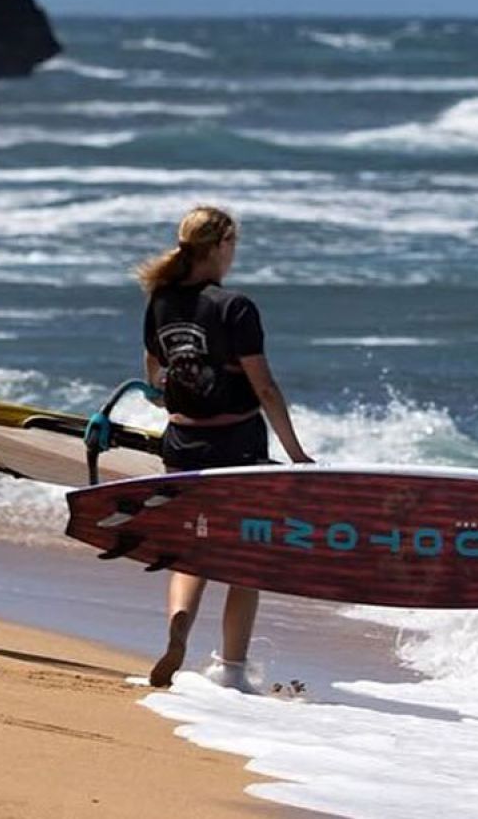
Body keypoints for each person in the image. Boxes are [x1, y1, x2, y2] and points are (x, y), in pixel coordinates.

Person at [136, 205, 313, 690]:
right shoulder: (235, 307)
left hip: (181, 442)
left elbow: (153, 372)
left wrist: (167, 392)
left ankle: (179, 625)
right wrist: (296, 453)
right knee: (245, 554)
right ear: (218, 248)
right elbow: (266, 388)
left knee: (192, 550)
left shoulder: (161, 300)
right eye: (233, 244)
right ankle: (232, 670)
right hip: (236, 445)